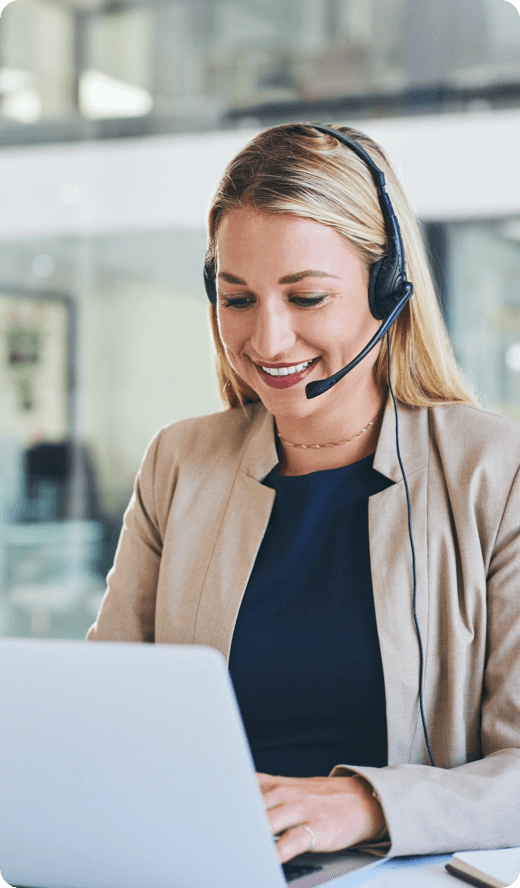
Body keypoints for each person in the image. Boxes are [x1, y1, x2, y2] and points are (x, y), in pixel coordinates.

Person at [87, 123, 520, 864]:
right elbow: (98, 720)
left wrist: (365, 802)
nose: (269, 340)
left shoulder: (493, 471)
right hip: (191, 864)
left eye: (307, 296)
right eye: (239, 299)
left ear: (388, 291)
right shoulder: (179, 464)